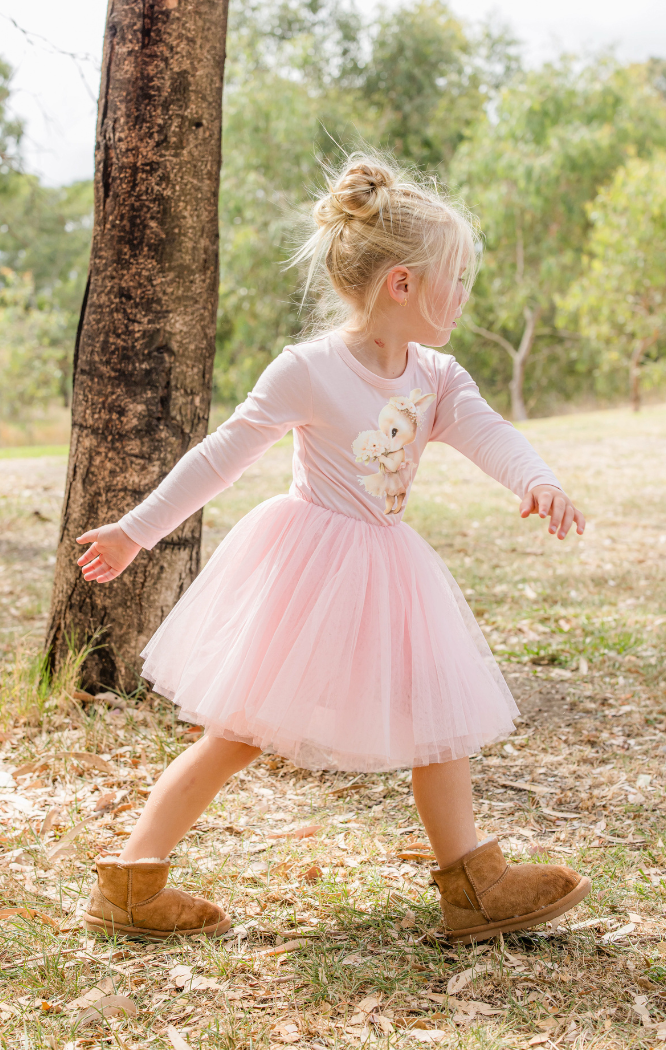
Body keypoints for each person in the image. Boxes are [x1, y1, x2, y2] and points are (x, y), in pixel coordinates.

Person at [76, 154, 590, 943]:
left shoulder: (439, 377)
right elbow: (222, 454)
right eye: (456, 277)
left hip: (391, 569)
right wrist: (134, 531)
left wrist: (539, 478)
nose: (466, 294)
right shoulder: (309, 369)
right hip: (308, 570)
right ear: (403, 285)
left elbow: (492, 433)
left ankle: (473, 885)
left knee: (436, 711)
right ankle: (135, 881)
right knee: (238, 733)